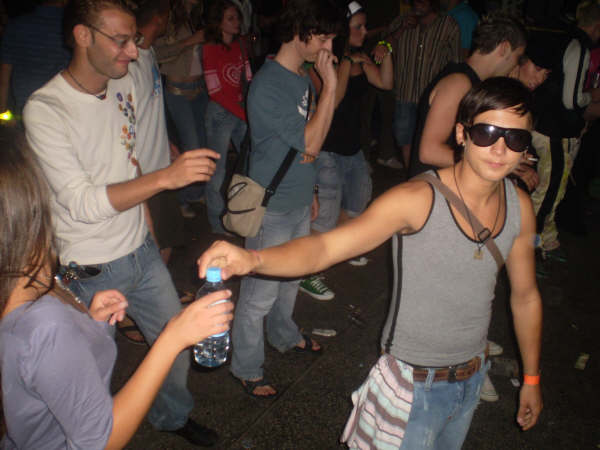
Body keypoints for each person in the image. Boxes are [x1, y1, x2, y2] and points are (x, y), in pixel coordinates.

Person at [198, 77, 543, 449]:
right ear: (462, 134)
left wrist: (532, 379)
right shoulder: (417, 199)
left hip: (472, 376)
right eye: (487, 132)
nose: (500, 148)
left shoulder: (519, 206)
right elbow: (326, 248)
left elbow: (525, 297)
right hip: (414, 385)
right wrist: (253, 258)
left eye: (515, 138)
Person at [22, 0, 222, 445]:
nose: (133, 51)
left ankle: (171, 418)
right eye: (121, 40)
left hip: (141, 251)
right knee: (89, 375)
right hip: (89, 269)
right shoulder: (46, 108)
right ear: (82, 35)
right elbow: (82, 202)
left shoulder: (122, 84)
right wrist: (166, 178)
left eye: (134, 40)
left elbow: (128, 163)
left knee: (176, 347)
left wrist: (147, 225)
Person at [0, 126, 234, 449]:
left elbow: (41, 372)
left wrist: (89, 324)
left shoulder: (23, 297)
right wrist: (172, 339)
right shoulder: (46, 324)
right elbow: (101, 440)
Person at [227, 0, 341, 397]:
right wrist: (331, 86)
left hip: (297, 197)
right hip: (271, 205)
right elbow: (311, 142)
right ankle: (245, 366)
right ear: (299, 33)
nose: (328, 48)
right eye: (323, 38)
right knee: (259, 295)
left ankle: (284, 335)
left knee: (291, 280)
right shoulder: (269, 84)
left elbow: (310, 141)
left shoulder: (301, 76)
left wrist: (312, 189)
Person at [302, 0, 392, 292]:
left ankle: (338, 250)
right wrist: (346, 63)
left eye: (365, 26)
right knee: (324, 216)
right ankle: (306, 272)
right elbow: (334, 99)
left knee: (356, 204)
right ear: (343, 30)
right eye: (358, 27)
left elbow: (386, 83)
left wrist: (385, 52)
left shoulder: (359, 58)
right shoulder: (321, 63)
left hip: (353, 149)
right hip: (326, 149)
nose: (364, 32)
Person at [408, 12, 526, 178]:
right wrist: (496, 161)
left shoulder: (473, 83)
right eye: (517, 58)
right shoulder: (459, 83)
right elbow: (429, 152)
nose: (516, 66)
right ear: (504, 48)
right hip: (433, 186)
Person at [529, 1, 600, 261]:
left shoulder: (562, 37)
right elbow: (572, 100)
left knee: (551, 192)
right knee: (547, 195)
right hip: (555, 132)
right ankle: (530, 249)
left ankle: (547, 242)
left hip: (544, 125)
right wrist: (592, 96)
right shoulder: (578, 46)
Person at [133, 0, 185, 265]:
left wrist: (167, 142)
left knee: (168, 238)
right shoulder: (128, 66)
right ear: (158, 19)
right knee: (156, 243)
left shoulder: (149, 53)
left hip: (161, 163)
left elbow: (151, 108)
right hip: (145, 171)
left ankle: (158, 286)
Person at [387, 0, 461, 168]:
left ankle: (428, 177)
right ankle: (412, 176)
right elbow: (383, 47)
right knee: (405, 139)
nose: (418, 3)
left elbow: (456, 62)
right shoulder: (401, 21)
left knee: (430, 143)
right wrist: (401, 29)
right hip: (405, 93)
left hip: (433, 99)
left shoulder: (448, 25)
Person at [154, 0, 208, 218]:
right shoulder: (168, 20)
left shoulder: (198, 16)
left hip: (200, 88)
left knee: (201, 144)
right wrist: (190, 41)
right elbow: (157, 53)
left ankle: (194, 192)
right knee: (191, 145)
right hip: (177, 90)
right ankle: (181, 199)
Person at [203, 0, 252, 234]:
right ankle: (217, 222)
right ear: (219, 23)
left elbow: (248, 76)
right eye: (231, 18)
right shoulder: (210, 48)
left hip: (239, 109)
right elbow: (216, 92)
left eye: (237, 17)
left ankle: (245, 212)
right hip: (221, 113)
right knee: (217, 172)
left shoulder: (240, 44)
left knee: (250, 161)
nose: (237, 22)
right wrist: (244, 113)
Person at [0, 0, 71, 121]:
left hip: (25, 109)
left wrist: (2, 112)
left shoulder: (16, 26)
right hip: (62, 110)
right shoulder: (73, 28)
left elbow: (3, 77)